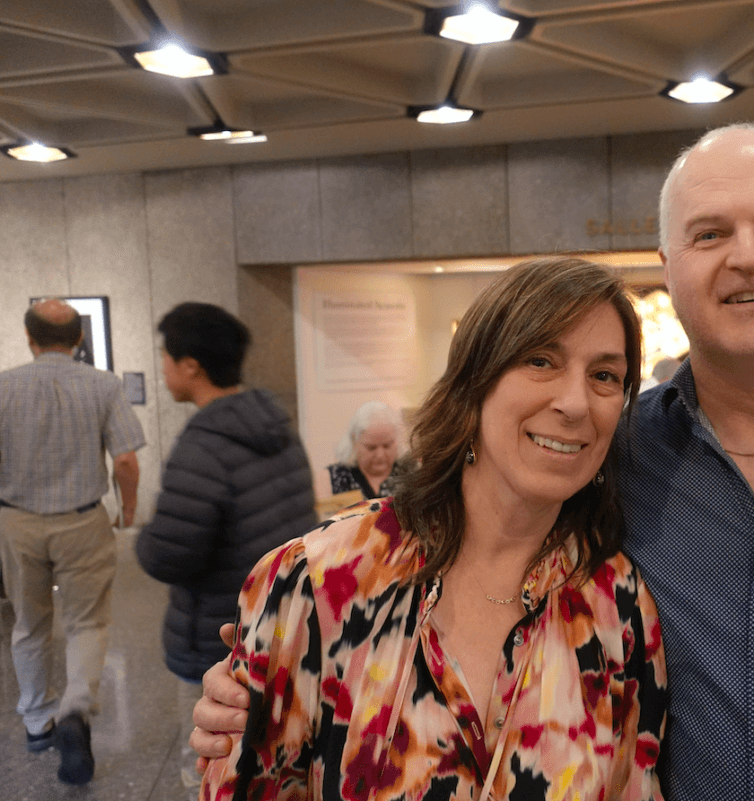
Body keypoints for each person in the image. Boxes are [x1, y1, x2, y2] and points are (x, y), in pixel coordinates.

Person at [193, 124, 754, 799]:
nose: (746, 254)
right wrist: (259, 680)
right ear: (669, 267)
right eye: (709, 233)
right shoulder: (608, 459)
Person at [197, 257, 666, 800]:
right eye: (540, 361)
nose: (574, 402)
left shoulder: (616, 603)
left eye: (605, 375)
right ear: (475, 383)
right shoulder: (320, 580)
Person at [134, 303, 318, 800]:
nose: (164, 368)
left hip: (217, 638)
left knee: (209, 767)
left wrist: (143, 538)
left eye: (166, 357)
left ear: (191, 365)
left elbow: (170, 554)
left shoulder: (204, 443)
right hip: (280, 628)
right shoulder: (276, 426)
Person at [0, 298, 145, 785]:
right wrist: (129, 508)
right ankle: (75, 712)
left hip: (18, 522)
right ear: (79, 338)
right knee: (86, 622)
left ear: (29, 338)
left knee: (29, 624)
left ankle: (38, 722)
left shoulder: (0, 388)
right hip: (82, 521)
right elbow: (125, 460)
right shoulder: (104, 385)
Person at [326, 401, 412, 498]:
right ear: (354, 442)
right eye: (371, 448)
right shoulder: (332, 478)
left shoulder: (412, 473)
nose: (380, 455)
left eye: (387, 446)